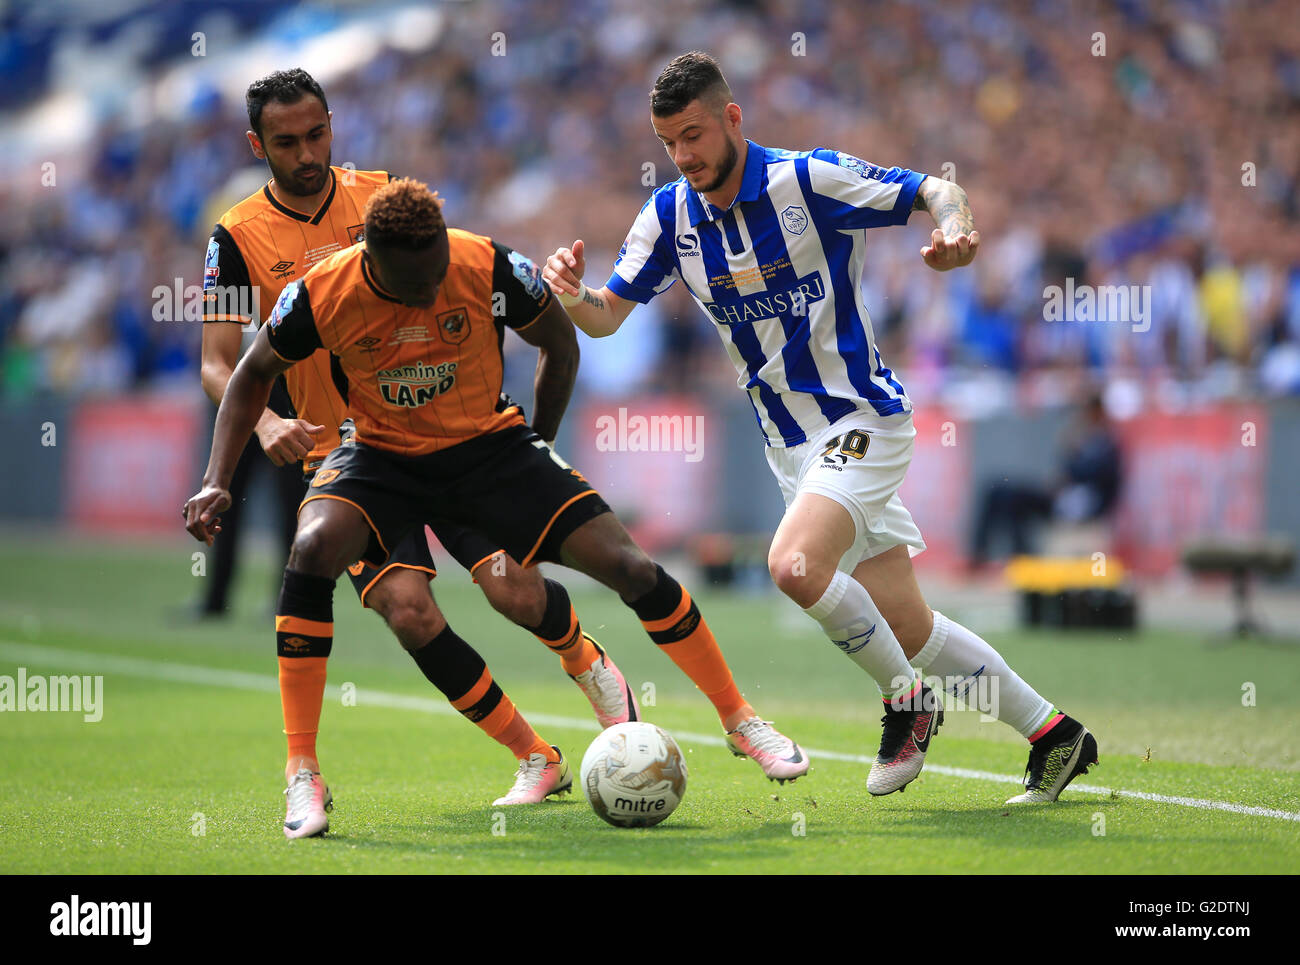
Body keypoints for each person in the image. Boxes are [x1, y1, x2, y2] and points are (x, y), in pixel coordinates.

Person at [542, 51, 1098, 803]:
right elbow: (606, 317)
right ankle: (1055, 735)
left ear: (733, 117)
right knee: (912, 630)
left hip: (860, 418)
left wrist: (956, 232)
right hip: (790, 449)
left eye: (696, 135)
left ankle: (907, 705)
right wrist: (571, 297)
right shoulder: (670, 216)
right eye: (669, 142)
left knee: (794, 566)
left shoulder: (808, 180)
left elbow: (938, 188)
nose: (684, 156)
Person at [185, 176, 810, 828]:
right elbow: (250, 372)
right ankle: (307, 771)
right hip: (378, 456)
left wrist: (536, 443)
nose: (432, 289)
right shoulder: (319, 293)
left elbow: (559, 341)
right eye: (416, 281)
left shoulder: (483, 262)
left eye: (437, 272)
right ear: (372, 259)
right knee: (330, 558)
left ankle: (739, 718)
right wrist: (217, 478)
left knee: (620, 567)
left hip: (485, 446)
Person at [200, 69, 638, 837]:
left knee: (512, 588)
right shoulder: (234, 237)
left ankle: (587, 659)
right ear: (256, 145)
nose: (307, 153)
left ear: (332, 124)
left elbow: (460, 282)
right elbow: (220, 361)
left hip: (450, 434)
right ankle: (532, 754)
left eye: (317, 135)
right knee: (407, 608)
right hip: (350, 461)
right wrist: (266, 425)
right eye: (287, 143)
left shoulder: (383, 198)